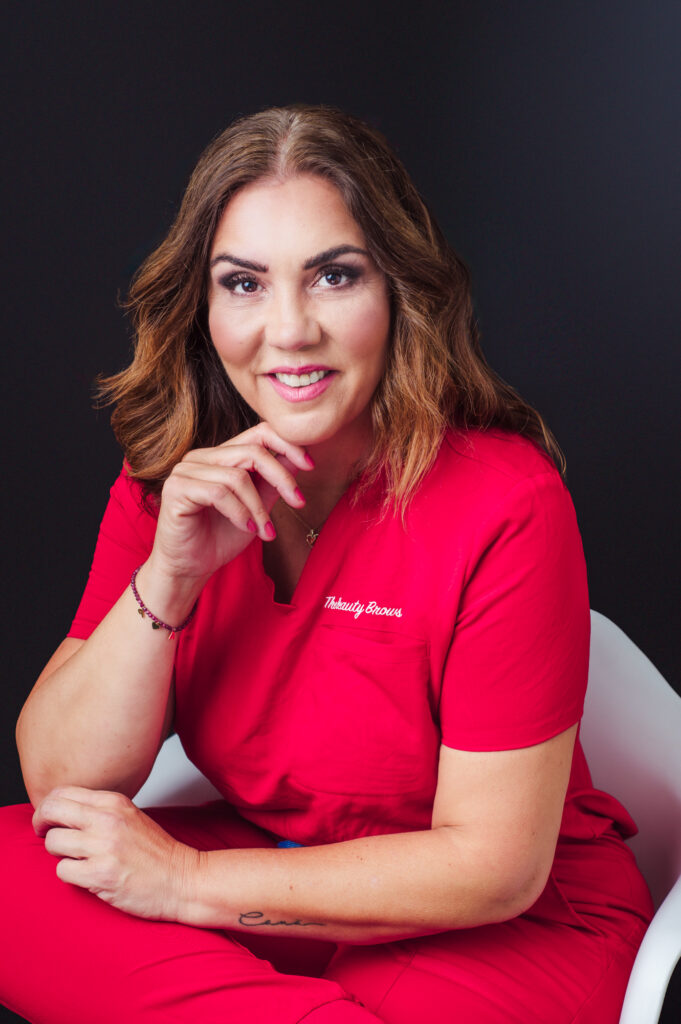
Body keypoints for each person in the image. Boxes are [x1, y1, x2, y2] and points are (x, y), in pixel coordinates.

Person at [0, 105, 652, 1024]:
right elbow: (62, 786)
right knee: (11, 872)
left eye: (333, 276)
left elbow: (495, 866)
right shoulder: (169, 484)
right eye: (244, 284)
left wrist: (186, 883)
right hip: (274, 865)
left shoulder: (505, 500)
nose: (290, 330)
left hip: (502, 914)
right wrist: (170, 576)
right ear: (203, 303)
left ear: (398, 293)